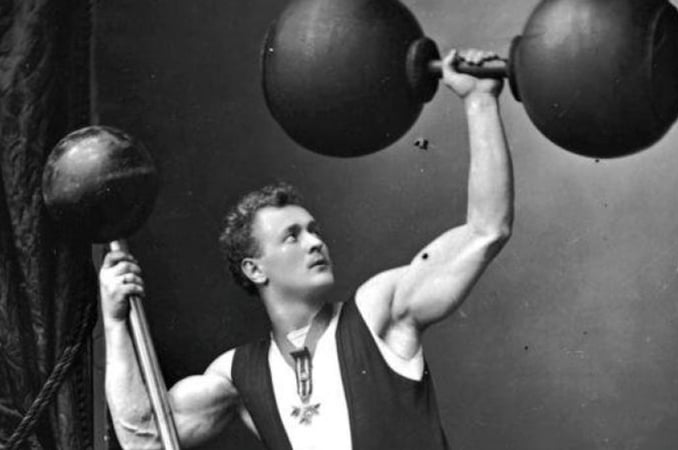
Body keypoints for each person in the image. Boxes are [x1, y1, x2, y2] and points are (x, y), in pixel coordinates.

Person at [100, 48, 514, 449]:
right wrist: (115, 321)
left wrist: (480, 102)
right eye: (292, 236)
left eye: (314, 230)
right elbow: (146, 439)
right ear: (254, 269)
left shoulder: (377, 312)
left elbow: (485, 231)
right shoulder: (235, 376)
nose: (316, 241)